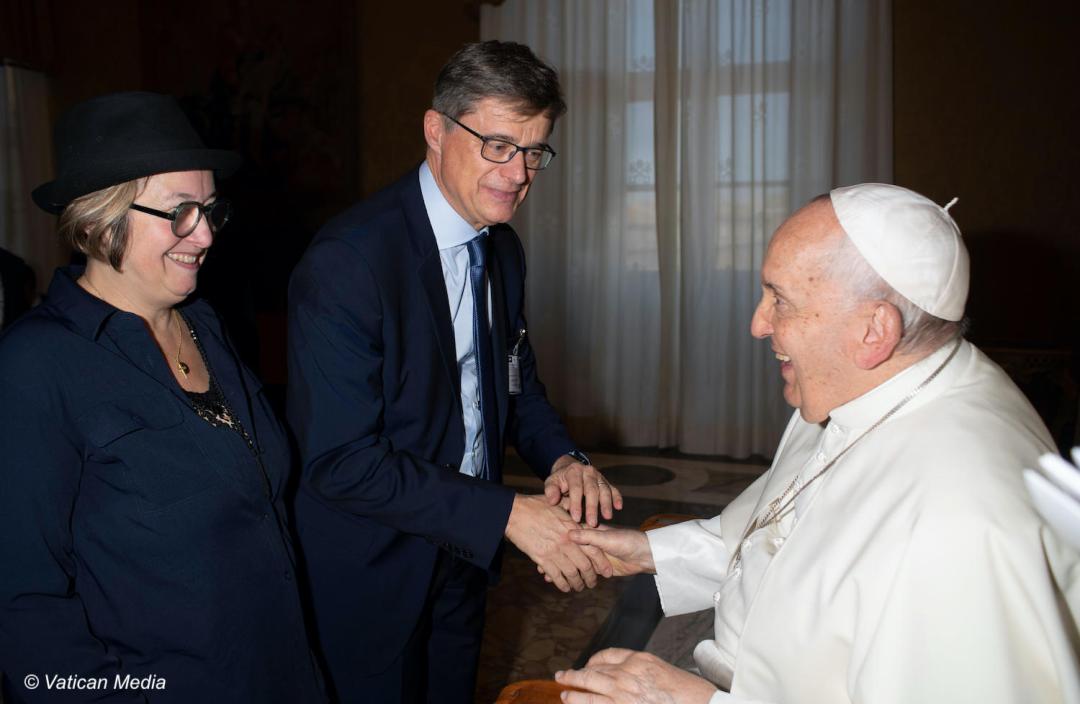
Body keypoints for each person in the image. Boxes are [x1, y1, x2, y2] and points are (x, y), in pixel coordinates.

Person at [556, 184, 1080, 703]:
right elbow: (787, 538)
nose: (757, 324)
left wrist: (692, 702)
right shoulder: (862, 385)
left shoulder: (965, 523)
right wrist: (648, 553)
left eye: (780, 300)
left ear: (874, 329)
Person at [287, 41, 622, 703]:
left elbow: (513, 381)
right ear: (436, 130)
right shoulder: (348, 263)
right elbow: (341, 461)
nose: (519, 172)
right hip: (373, 565)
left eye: (534, 151)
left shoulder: (502, 249)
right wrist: (506, 516)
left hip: (465, 556)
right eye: (498, 145)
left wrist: (563, 458)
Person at [0, 92, 325, 703]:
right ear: (98, 221)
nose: (203, 235)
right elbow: (22, 610)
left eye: (209, 209)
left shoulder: (204, 323)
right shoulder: (33, 367)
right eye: (179, 211)